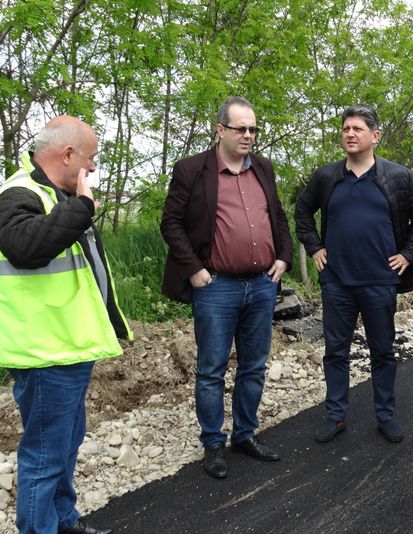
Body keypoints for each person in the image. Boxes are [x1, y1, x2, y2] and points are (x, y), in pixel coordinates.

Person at [0, 116, 131, 534]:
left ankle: (64, 520)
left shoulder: (57, 196)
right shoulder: (17, 195)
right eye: (91, 159)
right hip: (43, 352)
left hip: (68, 346)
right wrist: (82, 208)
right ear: (68, 154)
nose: (94, 168)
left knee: (65, 444)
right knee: (45, 455)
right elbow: (26, 248)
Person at [160, 96, 293, 479]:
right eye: (240, 129)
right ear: (220, 130)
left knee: (254, 365)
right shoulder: (191, 170)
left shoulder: (263, 168)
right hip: (216, 286)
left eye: (253, 129)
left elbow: (277, 216)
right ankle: (213, 444)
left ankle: (245, 435)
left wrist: (284, 257)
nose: (248, 135)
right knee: (212, 370)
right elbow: (171, 223)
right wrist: (193, 269)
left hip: (262, 284)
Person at [294, 104, 413, 444]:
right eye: (346, 129)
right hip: (337, 282)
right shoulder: (327, 177)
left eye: (357, 128)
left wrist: (409, 254)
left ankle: (385, 416)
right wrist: (315, 247)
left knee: (382, 351)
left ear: (375, 135)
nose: (350, 134)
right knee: (335, 352)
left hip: (380, 281)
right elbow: (302, 212)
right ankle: (336, 415)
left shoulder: (398, 177)